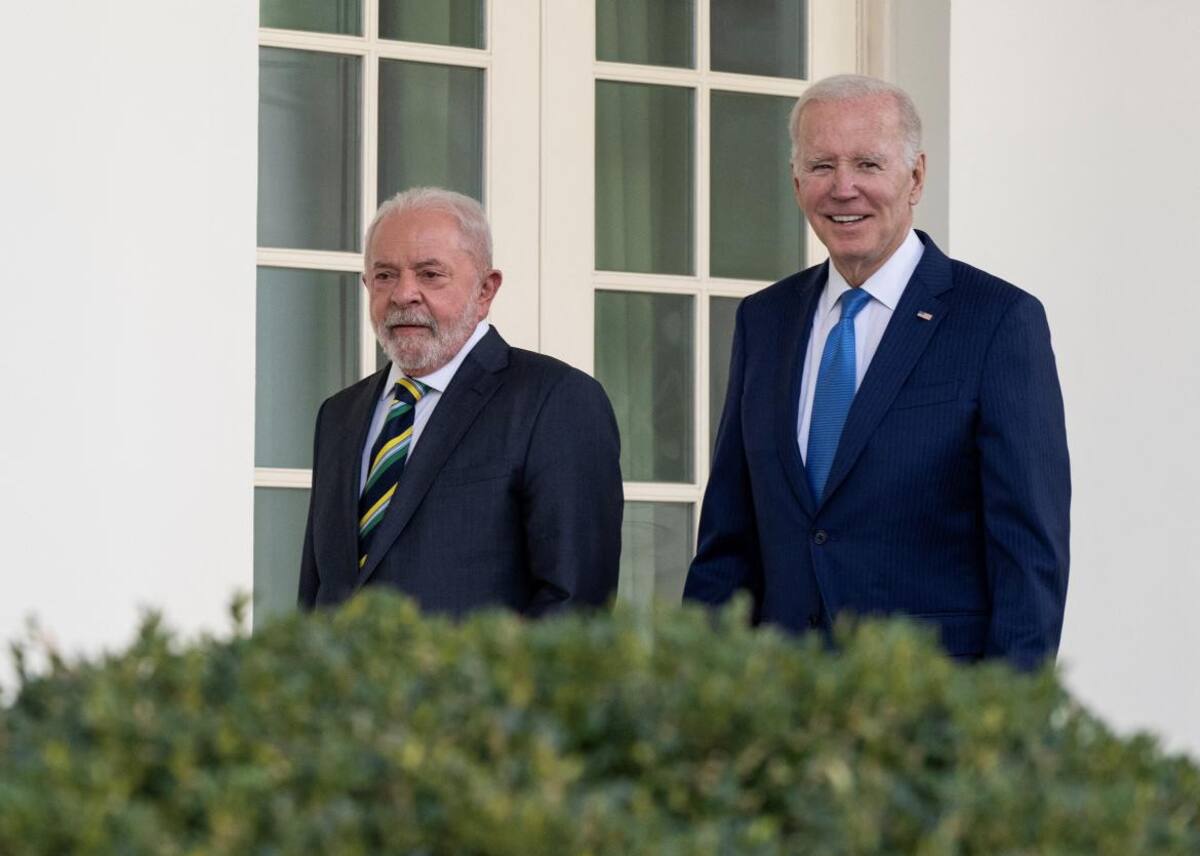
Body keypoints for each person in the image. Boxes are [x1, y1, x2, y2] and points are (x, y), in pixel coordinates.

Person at [683, 75, 1070, 669]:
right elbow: (729, 542)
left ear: (915, 176)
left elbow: (1028, 556)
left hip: (927, 701)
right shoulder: (764, 321)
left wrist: (1005, 718)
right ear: (796, 181)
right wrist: (694, 690)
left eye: (867, 163)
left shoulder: (997, 321)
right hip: (779, 699)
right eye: (821, 166)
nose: (844, 188)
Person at [299, 187, 623, 616]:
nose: (403, 294)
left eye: (430, 274)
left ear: (486, 290)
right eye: (385, 275)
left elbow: (575, 607)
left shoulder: (556, 402)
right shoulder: (338, 415)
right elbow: (317, 598)